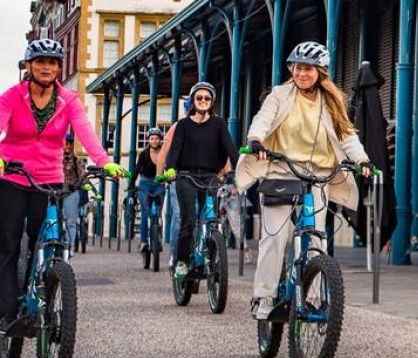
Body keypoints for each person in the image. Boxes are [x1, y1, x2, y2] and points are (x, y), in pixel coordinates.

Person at [240, 42, 373, 320]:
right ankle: (264, 297)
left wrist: (362, 160)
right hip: (281, 172)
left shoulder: (332, 102)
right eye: (297, 68)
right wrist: (255, 140)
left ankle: (311, 298)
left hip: (318, 177)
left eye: (308, 69)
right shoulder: (280, 95)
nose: (301, 74)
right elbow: (263, 120)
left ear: (320, 72)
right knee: (275, 237)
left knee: (315, 239)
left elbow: (348, 136)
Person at [0, 39, 124, 334]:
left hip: (49, 178)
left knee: (45, 237)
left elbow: (85, 131)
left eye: (53, 62)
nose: (47, 67)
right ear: (28, 66)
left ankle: (42, 289)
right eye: (41, 61)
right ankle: (6, 311)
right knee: (9, 242)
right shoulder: (12, 97)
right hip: (14, 177)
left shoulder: (68, 100)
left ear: (58, 68)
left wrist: (104, 161)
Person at [161, 82, 238, 280]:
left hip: (210, 176)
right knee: (188, 219)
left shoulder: (219, 124)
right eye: (199, 98)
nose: (203, 101)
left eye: (207, 98)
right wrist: (170, 169)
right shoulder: (183, 125)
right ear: (193, 101)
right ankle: (182, 262)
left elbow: (230, 148)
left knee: (209, 219)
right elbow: (175, 150)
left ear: (212, 102)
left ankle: (209, 256)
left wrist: (238, 170)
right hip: (186, 176)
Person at [129, 127, 167, 253]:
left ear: (160, 140)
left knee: (157, 213)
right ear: (148, 140)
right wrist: (131, 184)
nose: (154, 141)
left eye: (156, 139)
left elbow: (170, 167)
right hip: (145, 184)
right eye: (152, 139)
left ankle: (157, 238)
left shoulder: (164, 153)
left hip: (159, 184)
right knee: (145, 212)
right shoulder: (144, 154)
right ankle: (144, 241)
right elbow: (137, 169)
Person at [60, 130, 89, 250]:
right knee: (53, 220)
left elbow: (83, 175)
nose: (67, 146)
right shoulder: (55, 159)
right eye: (65, 143)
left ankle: (69, 247)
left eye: (70, 143)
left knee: (71, 222)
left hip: (71, 193)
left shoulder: (77, 161)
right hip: (56, 192)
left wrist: (86, 184)